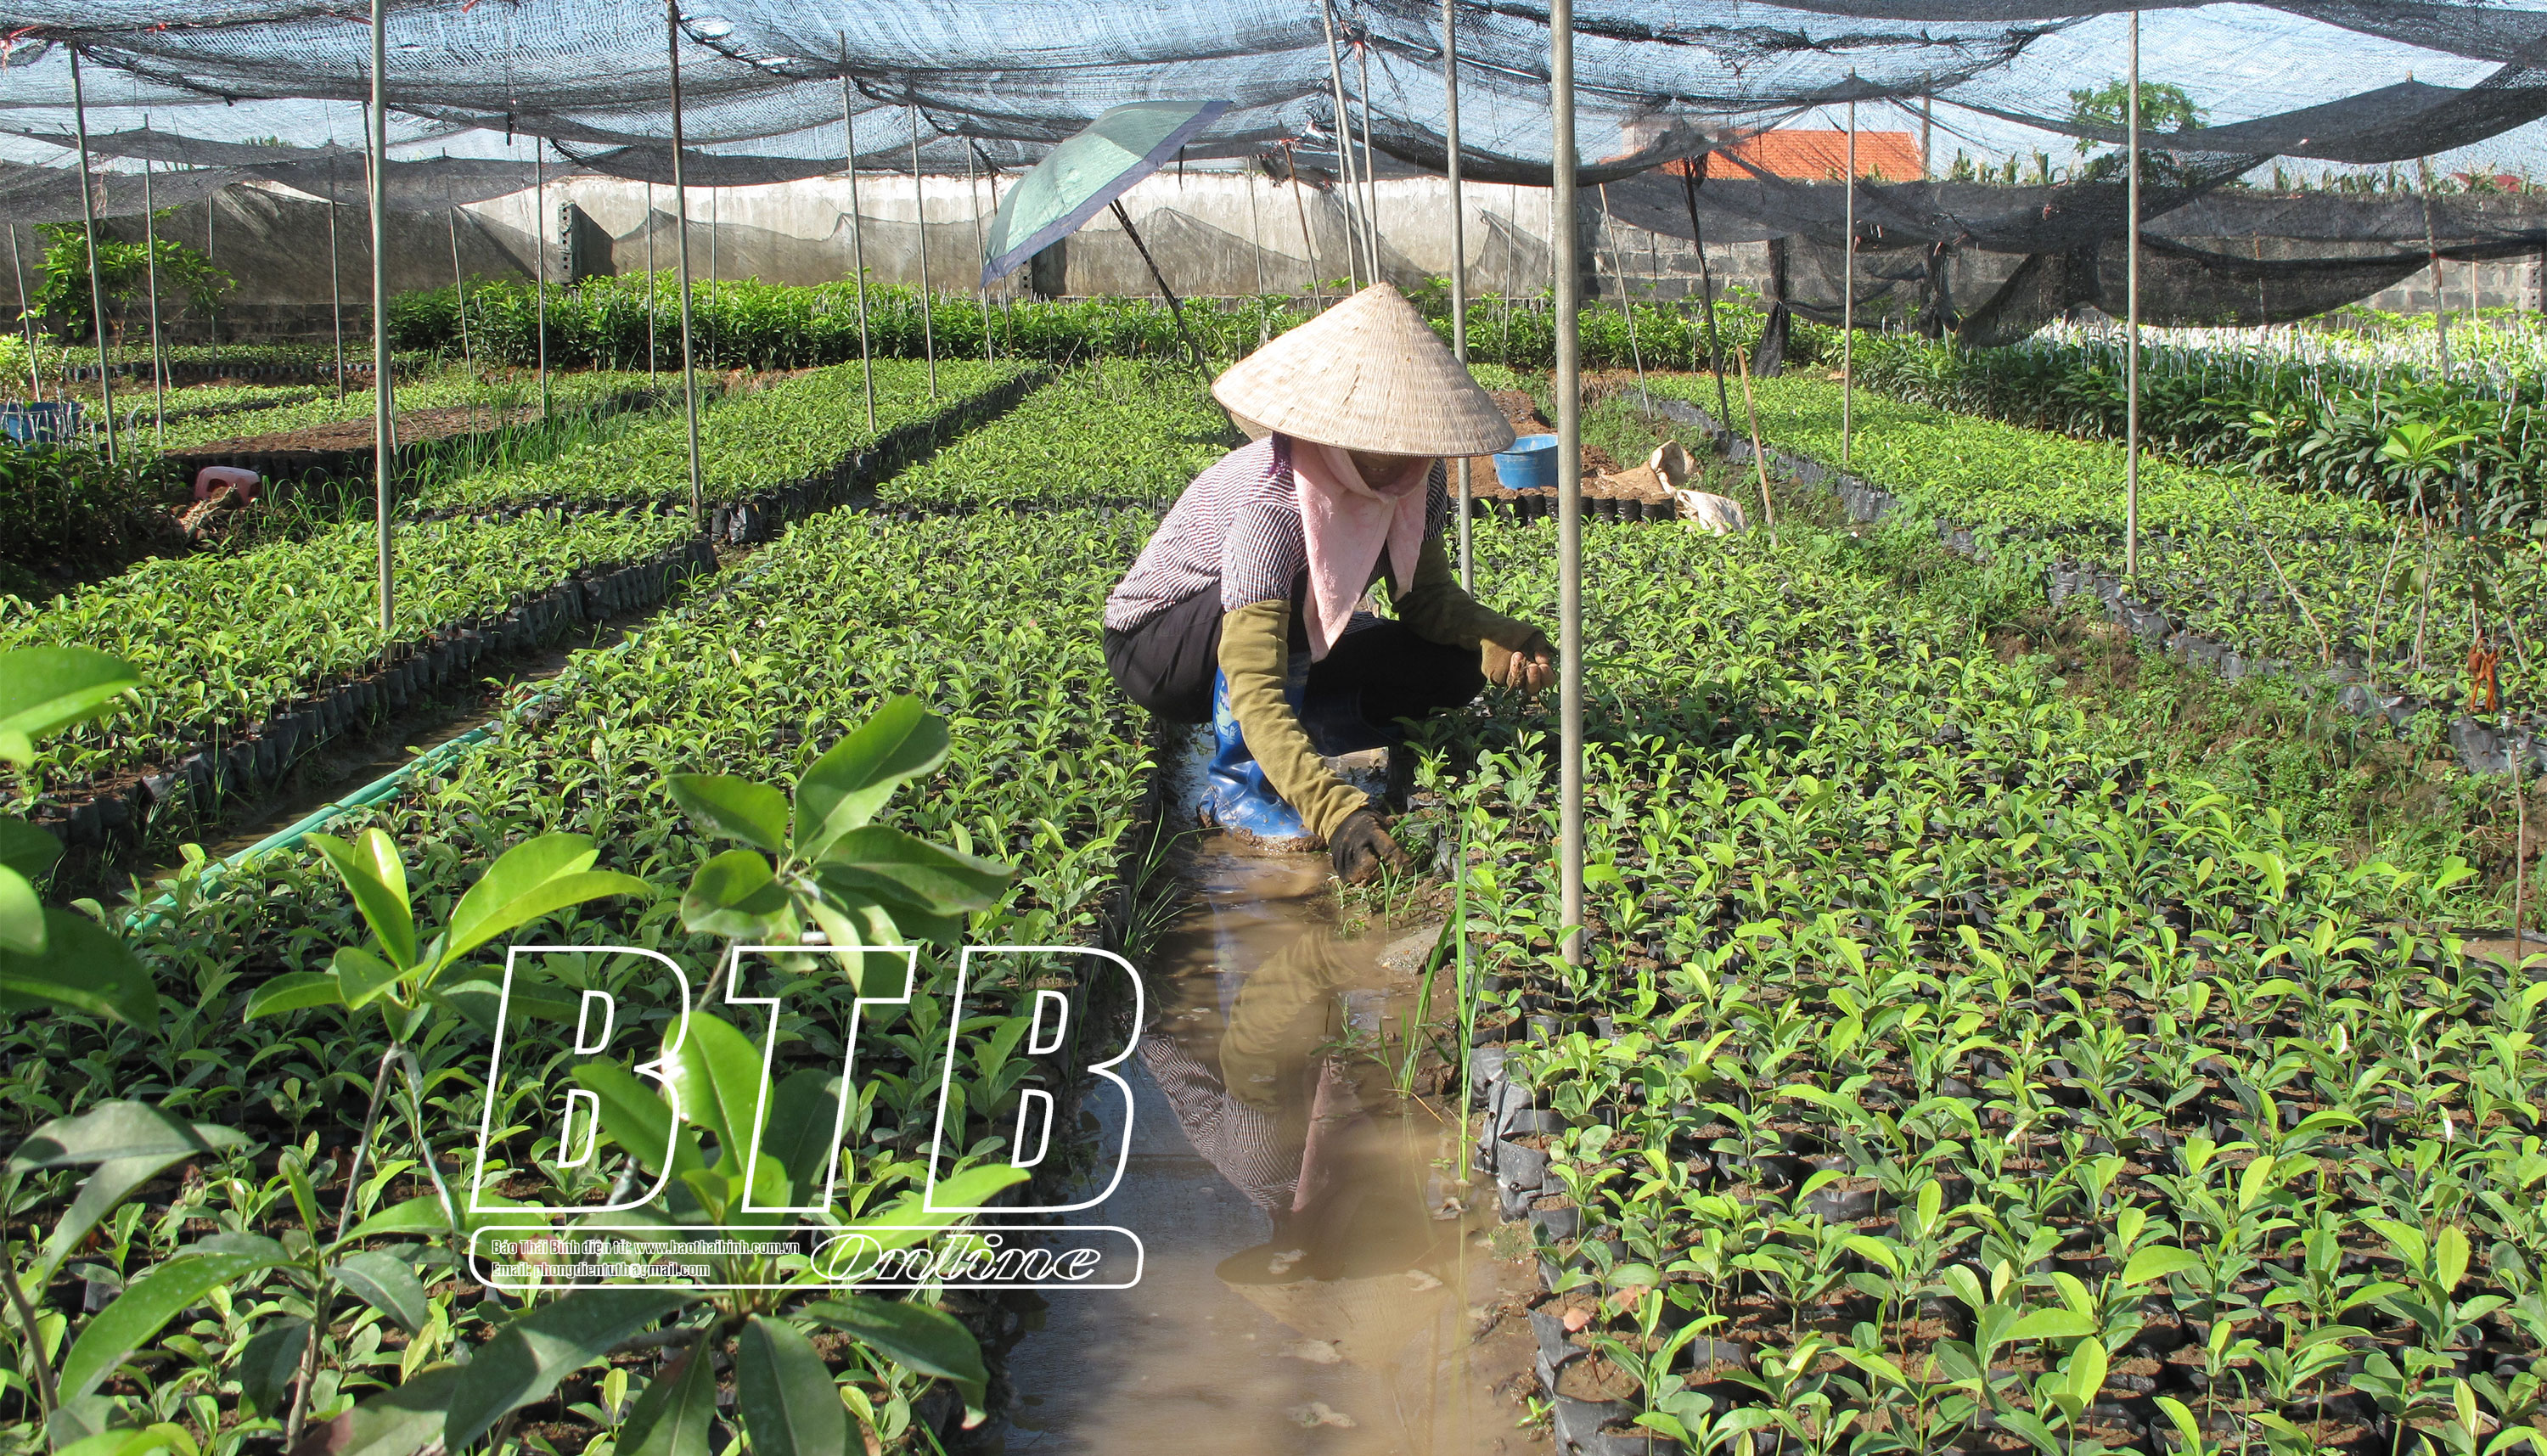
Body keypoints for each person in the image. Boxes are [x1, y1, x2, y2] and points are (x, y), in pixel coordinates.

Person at [1102, 284, 1556, 883]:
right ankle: (1240, 788)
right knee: (1295, 593)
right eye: (1375, 439)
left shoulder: (1422, 478)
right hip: (1160, 647)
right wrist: (1335, 813)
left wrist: (1502, 638)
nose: (1394, 457)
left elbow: (1427, 599)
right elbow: (1255, 681)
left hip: (1274, 636)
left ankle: (1299, 744)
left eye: (1407, 439)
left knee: (1453, 664)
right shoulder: (1277, 503)